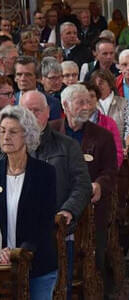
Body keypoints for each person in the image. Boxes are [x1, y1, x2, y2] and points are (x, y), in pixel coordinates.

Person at [19, 90, 92, 300]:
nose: (32, 116)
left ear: (48, 112)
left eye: (37, 110)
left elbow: (82, 184)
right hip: (18, 234)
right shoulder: (10, 146)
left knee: (57, 290)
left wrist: (68, 209)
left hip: (57, 230)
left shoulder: (67, 145)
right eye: (26, 110)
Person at [50, 83, 118, 295]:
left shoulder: (103, 136)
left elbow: (110, 172)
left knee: (92, 259)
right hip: (56, 206)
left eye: (89, 102)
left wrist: (99, 184)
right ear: (65, 105)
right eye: (80, 102)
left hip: (91, 208)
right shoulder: (51, 132)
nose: (86, 107)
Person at [0, 105, 58, 300]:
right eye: (2, 131)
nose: (6, 136)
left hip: (37, 265)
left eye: (13, 132)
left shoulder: (45, 173)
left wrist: (19, 251)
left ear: (27, 135)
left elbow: (44, 222)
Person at [90, 69, 129, 147]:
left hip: (120, 149)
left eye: (101, 83)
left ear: (110, 84)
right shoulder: (91, 104)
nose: (98, 86)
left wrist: (128, 148)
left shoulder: (123, 102)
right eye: (95, 84)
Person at [83, 81, 123, 168]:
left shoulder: (109, 122)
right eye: (85, 97)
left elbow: (117, 152)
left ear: (97, 99)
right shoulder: (74, 123)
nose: (88, 100)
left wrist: (109, 174)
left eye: (92, 96)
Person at [14, 56, 61, 120]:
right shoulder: (10, 101)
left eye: (28, 75)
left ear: (37, 77)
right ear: (15, 78)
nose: (23, 79)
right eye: (19, 74)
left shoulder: (52, 103)